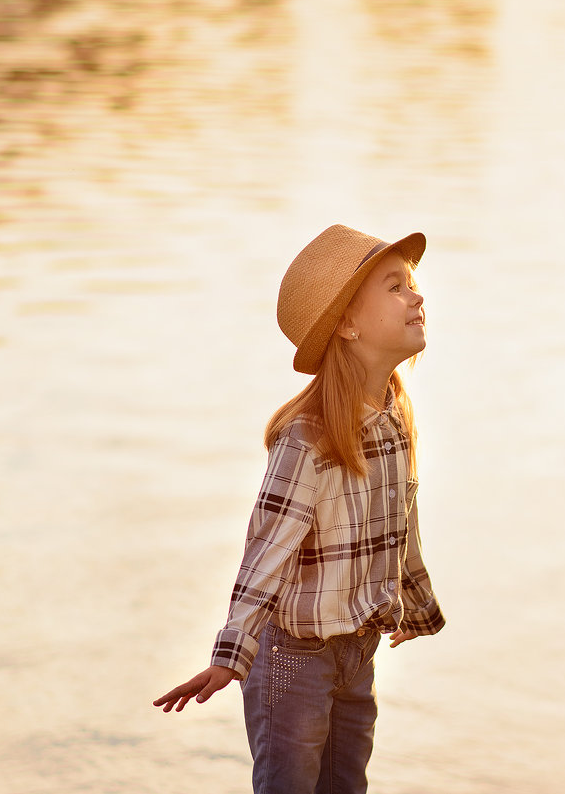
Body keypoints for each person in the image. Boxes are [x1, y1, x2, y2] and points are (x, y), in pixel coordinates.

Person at [153, 224, 446, 794]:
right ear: (347, 323)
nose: (417, 297)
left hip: (355, 652)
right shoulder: (309, 438)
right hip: (292, 660)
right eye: (395, 286)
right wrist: (231, 653)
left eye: (412, 284)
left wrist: (412, 600)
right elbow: (267, 551)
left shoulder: (394, 419)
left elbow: (398, 525)